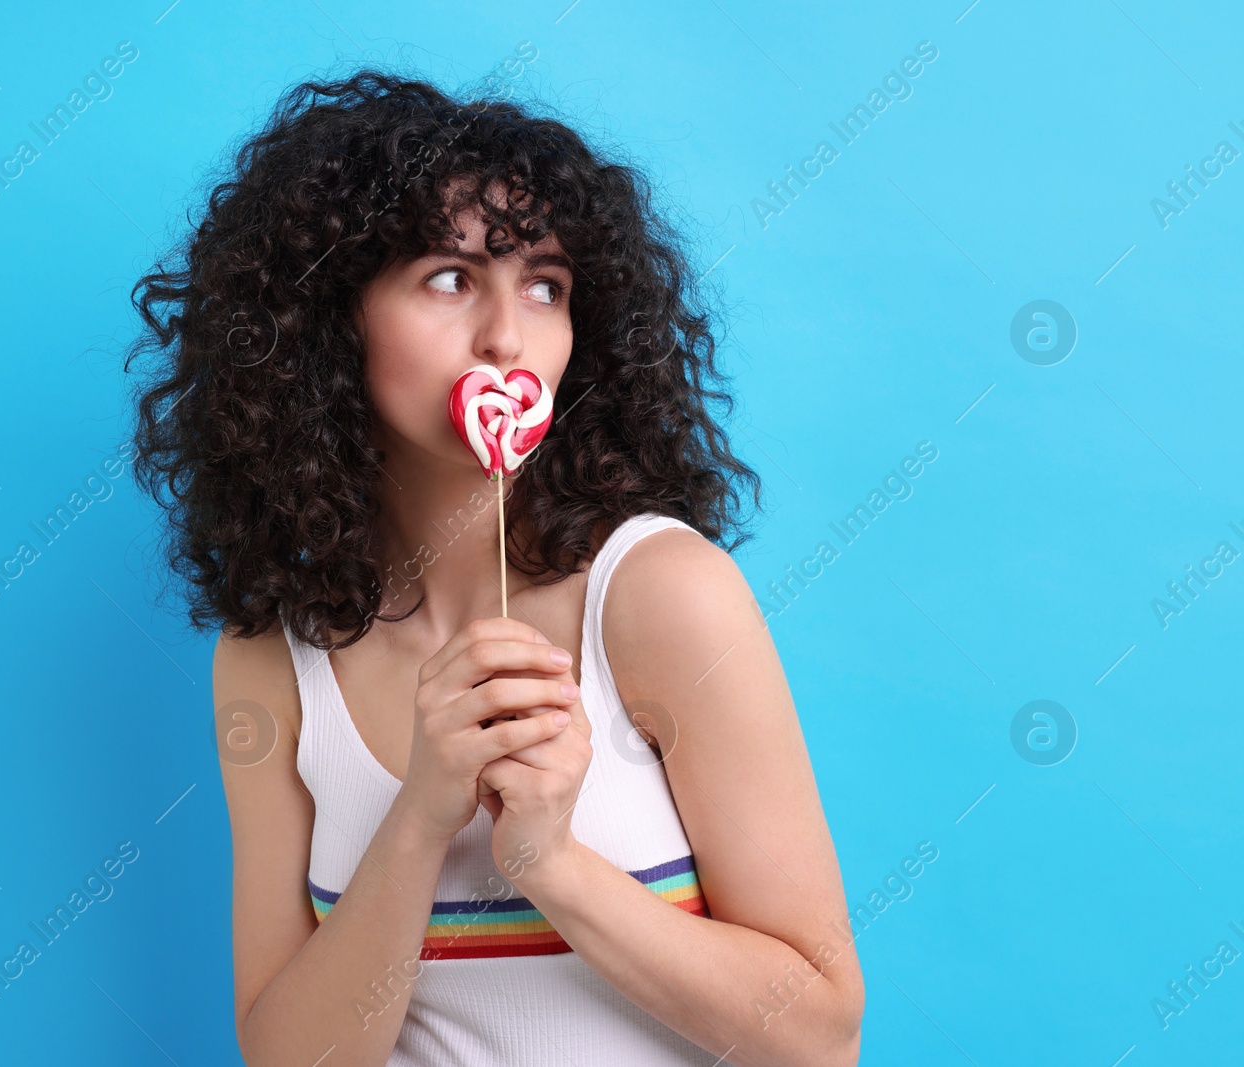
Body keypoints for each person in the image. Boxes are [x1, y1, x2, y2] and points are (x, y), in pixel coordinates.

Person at [126, 67, 864, 1067]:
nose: (505, 337)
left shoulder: (659, 597)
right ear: (326, 321)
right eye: (447, 277)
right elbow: (288, 1054)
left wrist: (550, 860)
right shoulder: (269, 657)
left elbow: (820, 1034)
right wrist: (422, 812)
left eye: (544, 286)